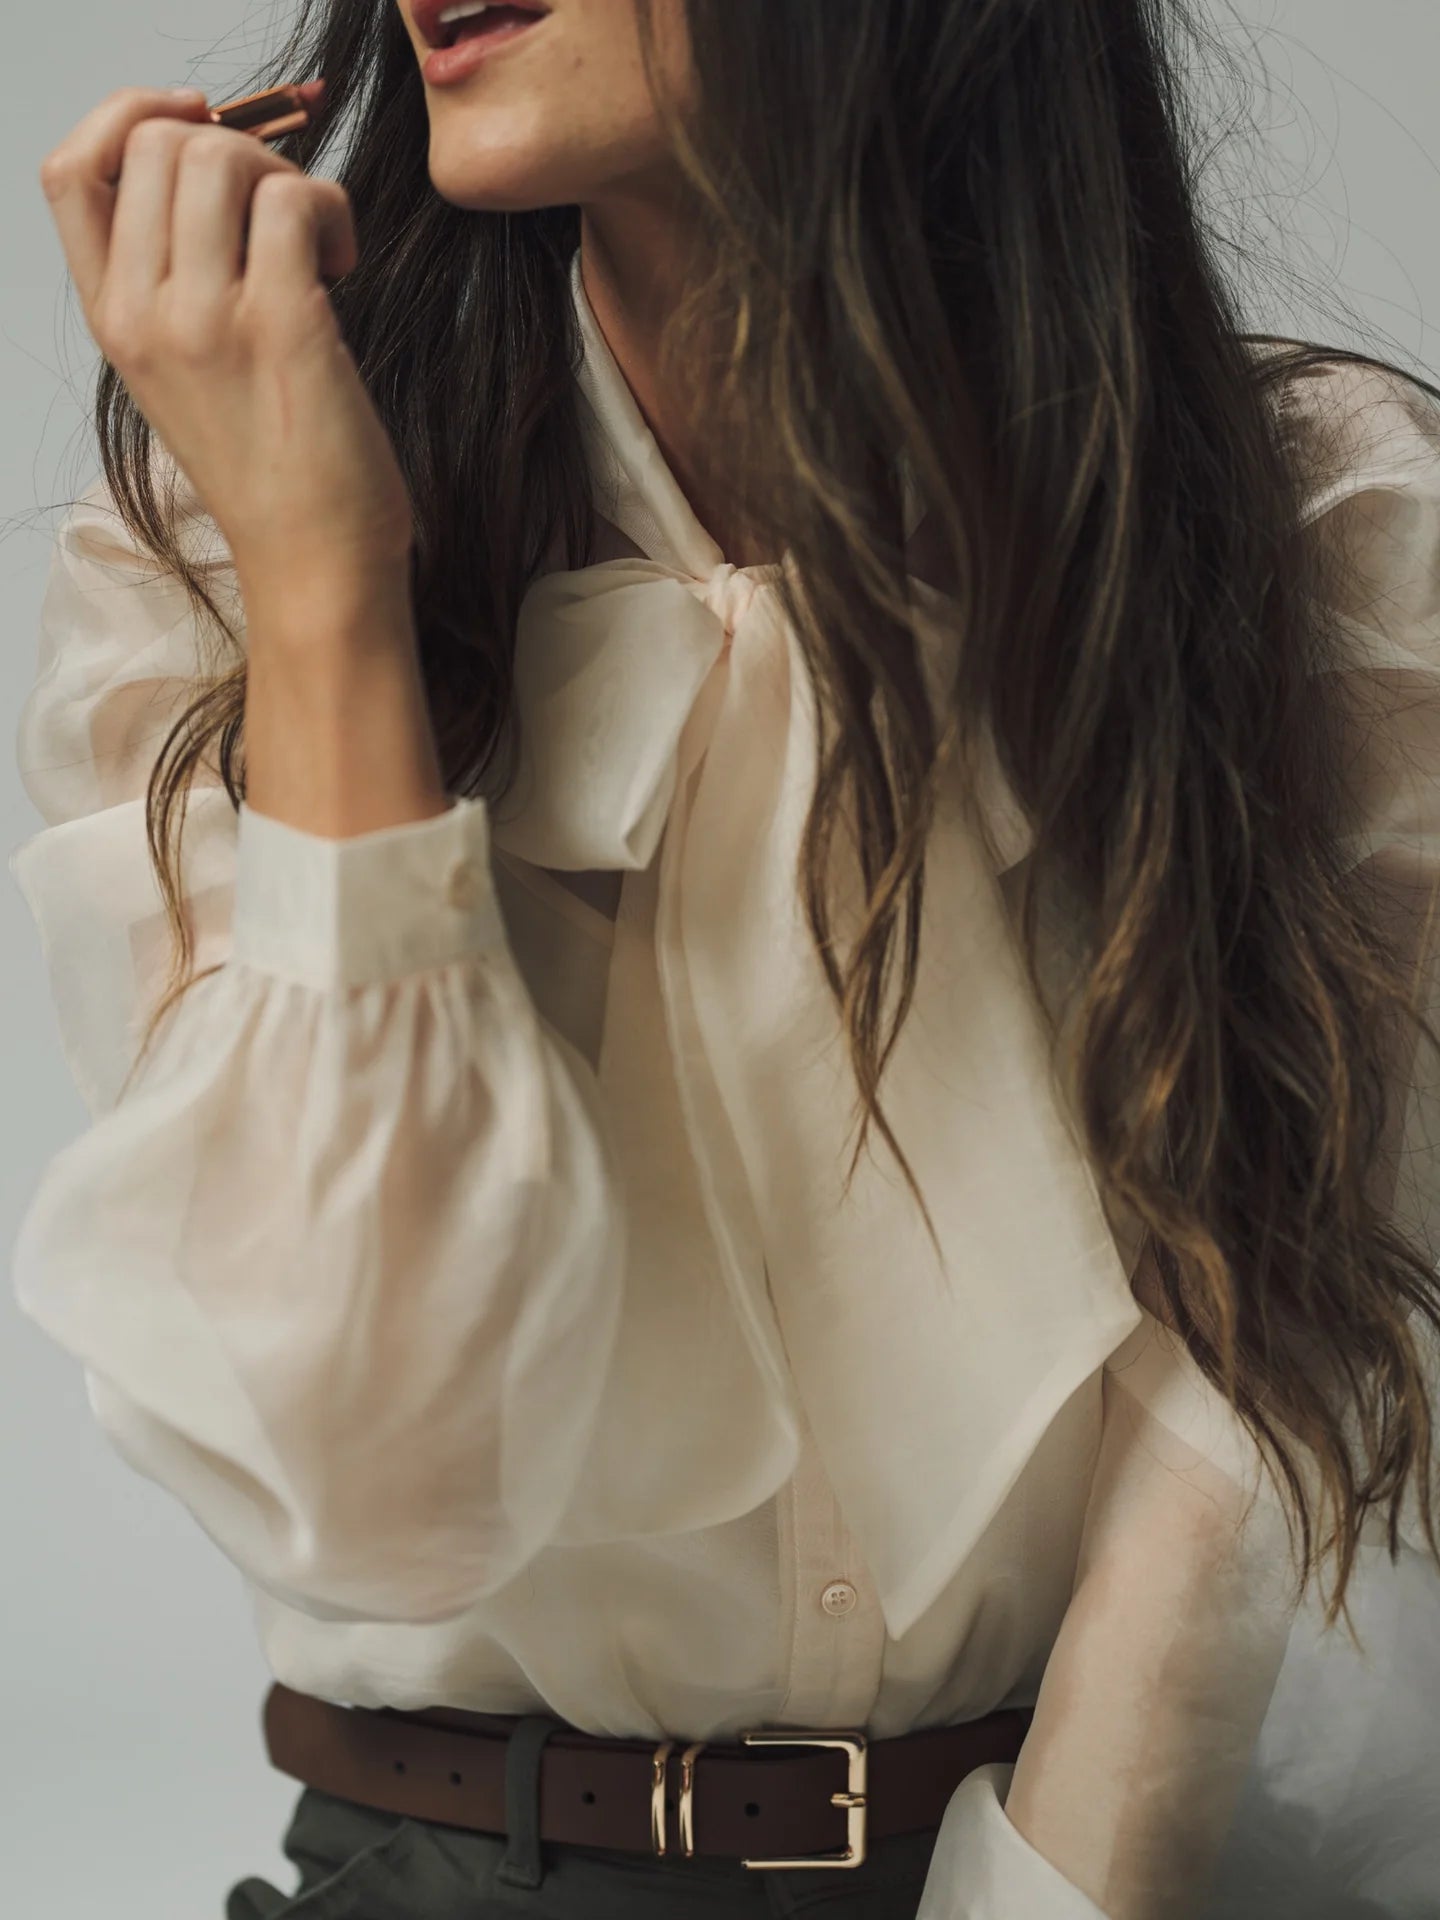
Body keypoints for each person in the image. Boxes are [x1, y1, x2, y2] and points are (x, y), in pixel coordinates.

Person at [11, 3, 1440, 1916]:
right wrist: (327, 590)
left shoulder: (1313, 531)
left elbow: (1252, 1405)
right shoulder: (211, 542)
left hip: (1093, 1859)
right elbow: (384, 1482)